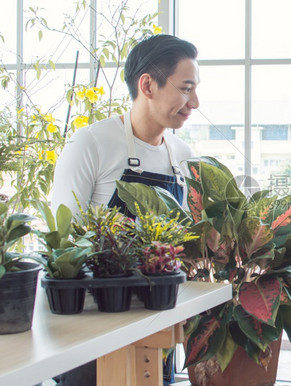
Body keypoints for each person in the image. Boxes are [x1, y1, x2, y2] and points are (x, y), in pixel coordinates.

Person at [50, 33, 200, 386]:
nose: (194, 101)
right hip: (92, 326)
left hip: (156, 319)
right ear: (147, 84)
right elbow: (63, 245)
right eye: (185, 88)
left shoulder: (183, 155)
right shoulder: (92, 144)